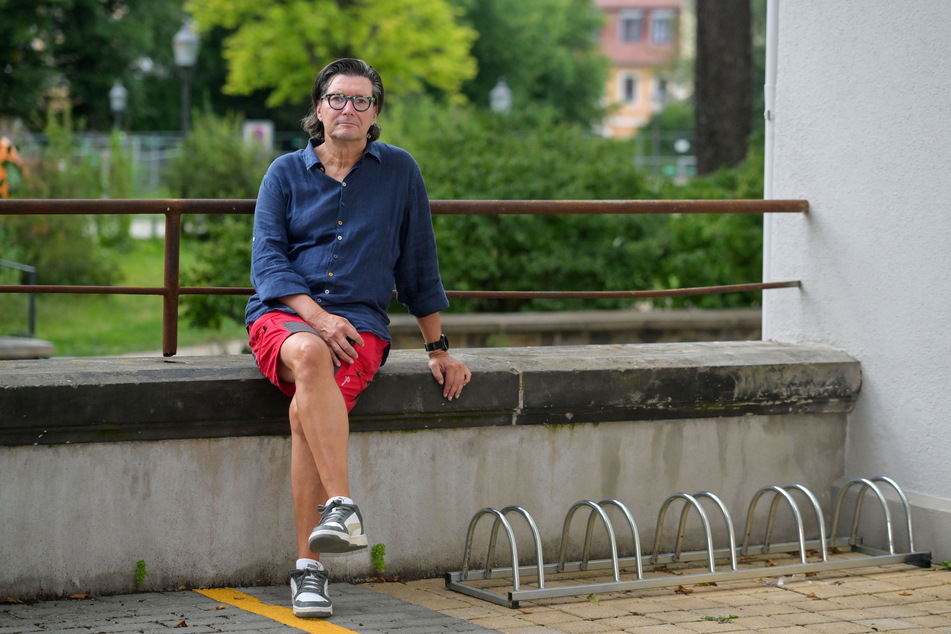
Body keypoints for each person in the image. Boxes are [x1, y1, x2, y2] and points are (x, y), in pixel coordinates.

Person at [244, 58, 471, 618]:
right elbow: (268, 263)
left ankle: (307, 570)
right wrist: (317, 317)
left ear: (376, 115)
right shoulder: (284, 173)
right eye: (338, 99)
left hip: (362, 327)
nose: (349, 110)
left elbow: (419, 264)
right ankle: (341, 508)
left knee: (305, 413)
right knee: (308, 350)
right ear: (317, 109)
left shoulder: (400, 172)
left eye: (362, 101)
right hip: (284, 315)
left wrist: (438, 350)